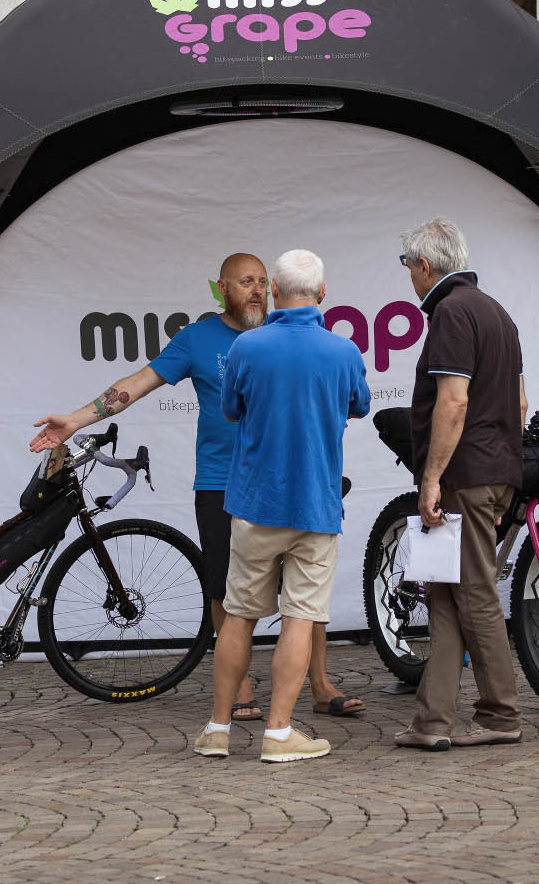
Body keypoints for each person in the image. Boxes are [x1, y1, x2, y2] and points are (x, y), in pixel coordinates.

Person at [29, 253, 364, 721]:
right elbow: (138, 383)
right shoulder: (198, 338)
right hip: (223, 482)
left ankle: (321, 684)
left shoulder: (293, 338)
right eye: (245, 281)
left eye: (262, 281)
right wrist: (77, 419)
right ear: (221, 288)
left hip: (296, 482)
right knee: (223, 586)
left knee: (306, 594)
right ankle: (239, 686)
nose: (256, 290)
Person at [195, 249, 370, 761]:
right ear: (322, 294)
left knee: (238, 617)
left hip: (254, 503)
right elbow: (359, 405)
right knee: (299, 618)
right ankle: (278, 735)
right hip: (315, 504)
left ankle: (217, 729)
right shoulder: (343, 351)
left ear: (273, 290)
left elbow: (231, 409)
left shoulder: (246, 346)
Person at [392, 217, 528, 752]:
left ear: (425, 265)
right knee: (445, 594)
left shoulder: (451, 312)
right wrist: (502, 477)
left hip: (465, 476)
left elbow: (452, 401)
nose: (409, 276)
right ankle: (432, 721)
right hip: (492, 471)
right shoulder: (497, 312)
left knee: (473, 594)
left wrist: (431, 478)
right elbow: (520, 404)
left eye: (408, 266)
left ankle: (499, 713)